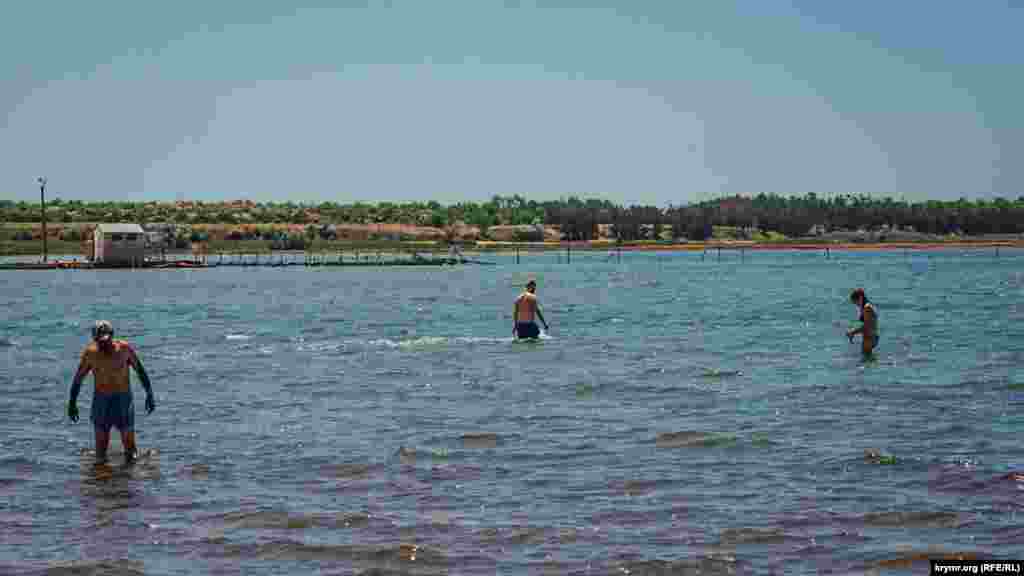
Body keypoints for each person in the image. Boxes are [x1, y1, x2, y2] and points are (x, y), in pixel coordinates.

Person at [68, 321, 155, 463]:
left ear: (112, 336)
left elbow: (140, 371)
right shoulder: (90, 354)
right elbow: (78, 379)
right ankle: (101, 475)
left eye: (106, 340)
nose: (104, 344)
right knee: (101, 450)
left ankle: (130, 474)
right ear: (95, 339)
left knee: (130, 448)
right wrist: (72, 403)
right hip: (101, 401)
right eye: (100, 341)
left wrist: (149, 394)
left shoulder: (124, 349)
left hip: (123, 400)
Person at [846, 288, 878, 355]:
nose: (856, 304)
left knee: (866, 358)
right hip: (870, 337)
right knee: (867, 358)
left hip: (870, 338)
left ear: (860, 298)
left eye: (855, 302)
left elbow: (867, 326)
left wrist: (853, 332)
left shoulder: (867, 308)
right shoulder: (865, 307)